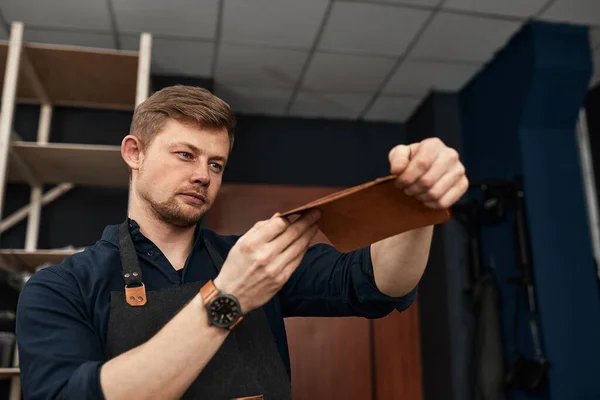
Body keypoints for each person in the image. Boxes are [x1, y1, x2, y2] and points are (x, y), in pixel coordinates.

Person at [15, 85, 468, 400]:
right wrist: (228, 297)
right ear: (134, 152)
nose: (202, 175)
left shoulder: (254, 258)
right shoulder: (60, 287)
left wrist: (416, 206)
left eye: (216, 164)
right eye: (185, 155)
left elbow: (378, 283)